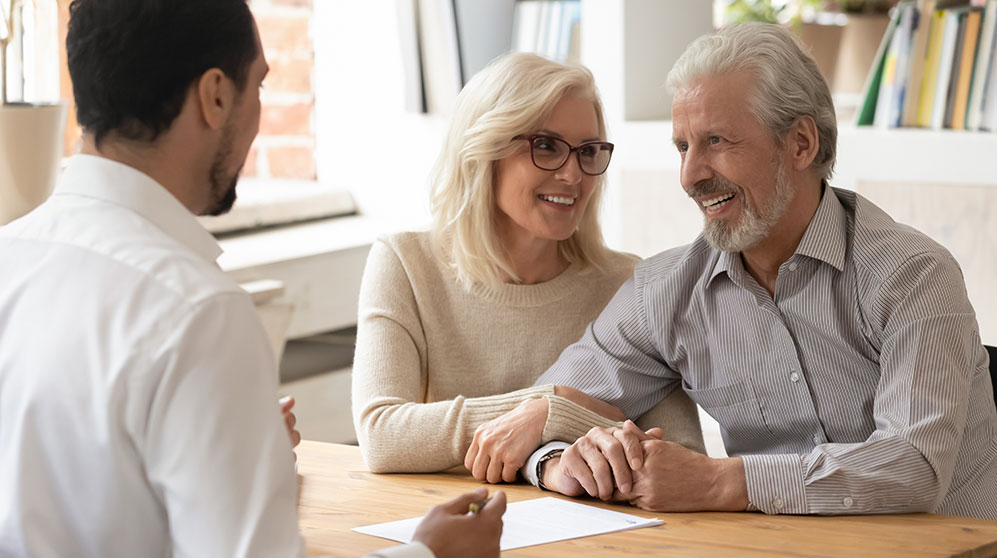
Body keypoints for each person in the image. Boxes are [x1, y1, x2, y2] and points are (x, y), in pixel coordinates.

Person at [0, 1, 505, 557]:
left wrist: (237, 457)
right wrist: (430, 553)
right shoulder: (197, 312)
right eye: (259, 86)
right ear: (215, 96)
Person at [508, 22, 997, 520]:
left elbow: (913, 467)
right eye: (682, 147)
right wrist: (558, 463)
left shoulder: (913, 276)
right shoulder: (666, 292)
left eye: (716, 141)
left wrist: (719, 481)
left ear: (801, 144)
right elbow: (530, 418)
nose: (691, 176)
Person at [351, 52, 704, 481]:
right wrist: (555, 399)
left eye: (588, 151)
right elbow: (382, 435)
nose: (574, 176)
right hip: (455, 530)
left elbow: (678, 453)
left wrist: (546, 418)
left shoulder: (629, 284)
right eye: (547, 146)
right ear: (484, 152)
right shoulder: (405, 264)